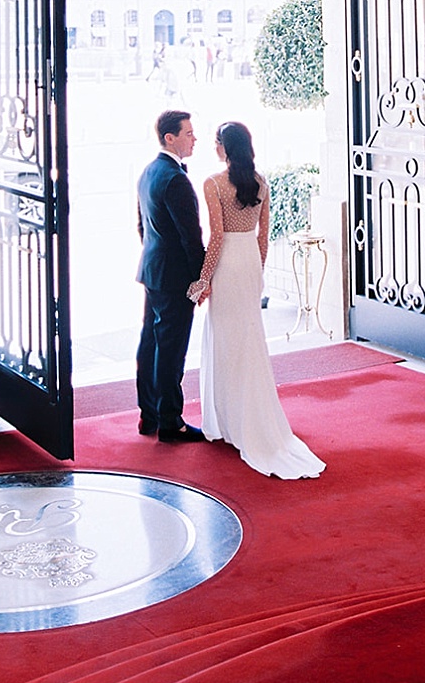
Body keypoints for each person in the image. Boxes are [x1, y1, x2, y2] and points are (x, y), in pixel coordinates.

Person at [189, 121, 325, 479]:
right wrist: (258, 272)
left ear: (223, 147)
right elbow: (264, 237)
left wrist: (203, 281)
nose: (214, 147)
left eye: (216, 143)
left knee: (226, 340)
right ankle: (246, 418)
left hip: (228, 263)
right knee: (249, 339)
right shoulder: (261, 182)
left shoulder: (213, 184)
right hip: (249, 260)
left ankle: (227, 420)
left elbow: (216, 236)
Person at [134, 109, 206, 443]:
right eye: (189, 133)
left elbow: (142, 225)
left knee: (151, 342)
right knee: (171, 349)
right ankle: (170, 421)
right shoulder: (175, 178)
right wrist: (201, 277)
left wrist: (155, 258)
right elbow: (191, 236)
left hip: (152, 269)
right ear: (170, 138)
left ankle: (148, 414)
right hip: (174, 276)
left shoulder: (148, 172)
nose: (194, 139)